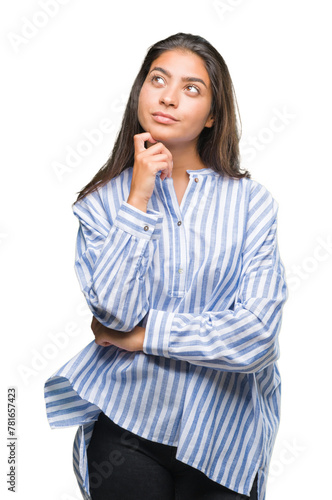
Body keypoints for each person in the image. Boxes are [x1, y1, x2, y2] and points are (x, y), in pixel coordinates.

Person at [44, 32, 288, 500]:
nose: (169, 97)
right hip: (129, 426)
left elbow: (256, 336)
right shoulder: (101, 204)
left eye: (192, 89)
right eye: (158, 79)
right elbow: (114, 314)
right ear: (141, 91)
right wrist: (137, 198)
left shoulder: (251, 203)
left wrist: (145, 336)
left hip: (226, 435)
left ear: (213, 115)